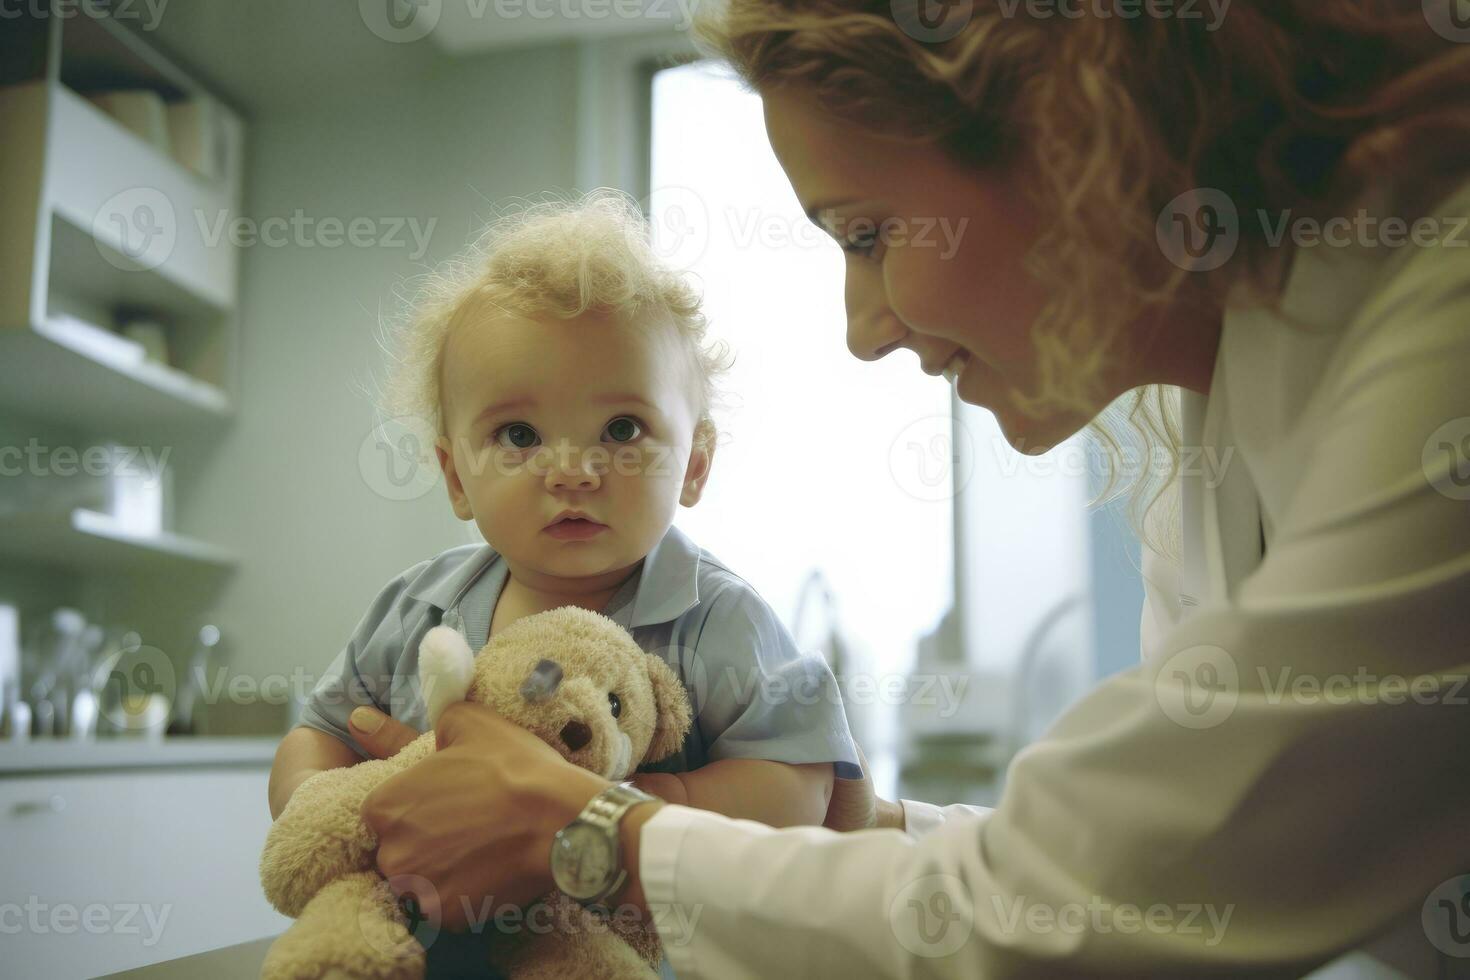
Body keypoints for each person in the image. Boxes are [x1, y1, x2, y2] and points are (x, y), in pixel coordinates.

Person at [356, 2, 1470, 976]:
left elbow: (1079, 914)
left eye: (870, 233)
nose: (862, 328)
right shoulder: (1218, 441)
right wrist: (861, 827)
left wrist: (591, 833)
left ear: (1080, 129)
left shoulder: (1440, 332)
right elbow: (1135, 871)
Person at [267, 196, 863, 967]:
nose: (572, 471)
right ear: (455, 475)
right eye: (518, 435)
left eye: (622, 431)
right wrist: (327, 812)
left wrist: (643, 805)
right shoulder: (418, 608)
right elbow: (318, 737)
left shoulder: (716, 618)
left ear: (696, 464)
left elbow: (800, 791)